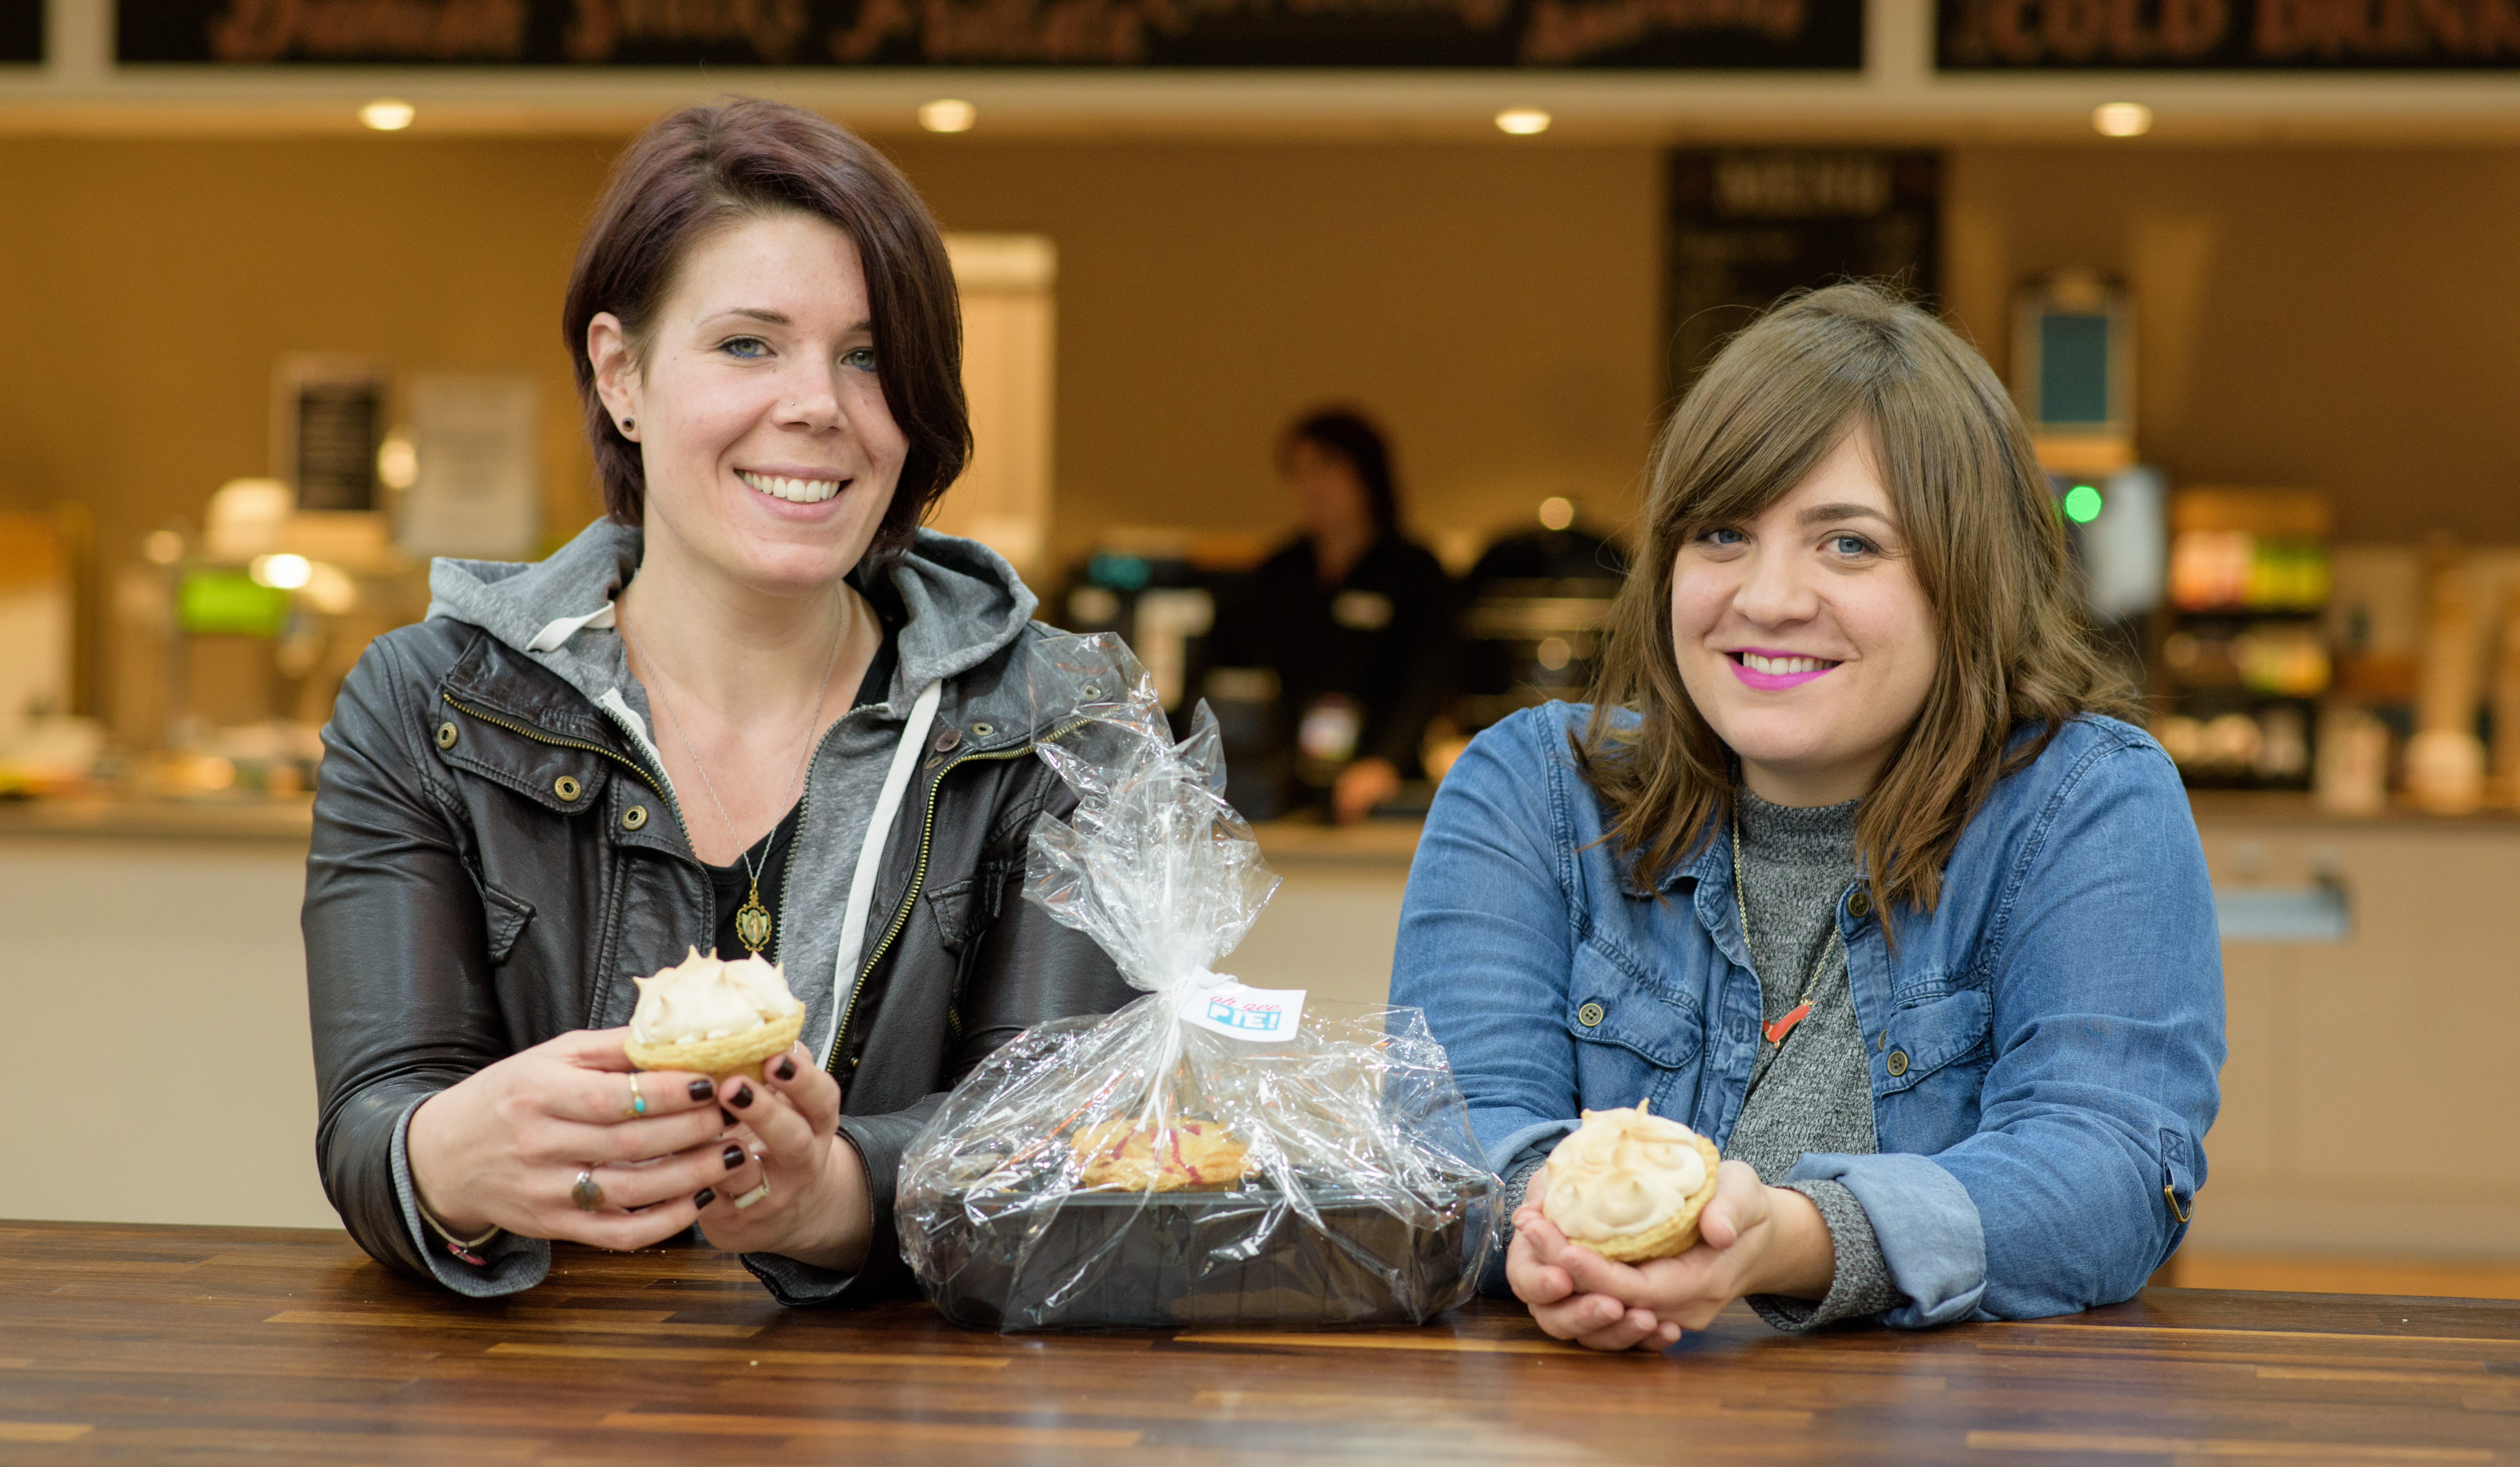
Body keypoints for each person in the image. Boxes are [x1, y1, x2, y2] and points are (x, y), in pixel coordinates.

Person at [303, 99, 1132, 1307]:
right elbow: (371, 1121)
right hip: (530, 1403)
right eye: (749, 344)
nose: (817, 405)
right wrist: (445, 1154)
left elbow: (1055, 1162)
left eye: (866, 354)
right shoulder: (428, 705)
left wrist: (833, 1194)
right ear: (621, 371)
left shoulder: (1066, 727)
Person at [1389, 282, 2222, 1348]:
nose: (1768, 598)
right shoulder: (1533, 789)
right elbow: (1448, 1144)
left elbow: (2104, 1174)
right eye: (1722, 533)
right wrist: (1555, 1240)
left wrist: (1785, 1237)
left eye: (1848, 545)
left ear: (1968, 580)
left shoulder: (2083, 802)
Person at [1209, 408, 1458, 823]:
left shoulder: (1415, 572)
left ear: (1367, 476)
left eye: (1325, 469)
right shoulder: (1279, 574)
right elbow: (1231, 671)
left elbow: (1430, 678)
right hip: (1284, 786)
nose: (1311, 487)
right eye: (1298, 473)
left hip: (1384, 785)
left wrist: (1384, 763)